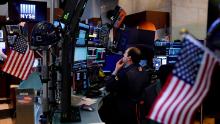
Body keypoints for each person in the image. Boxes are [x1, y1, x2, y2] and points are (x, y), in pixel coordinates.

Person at [103, 47, 150, 124]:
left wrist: (116, 70)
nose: (123, 55)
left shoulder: (125, 74)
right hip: (137, 111)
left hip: (124, 111)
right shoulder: (144, 71)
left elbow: (108, 86)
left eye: (125, 53)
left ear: (129, 58)